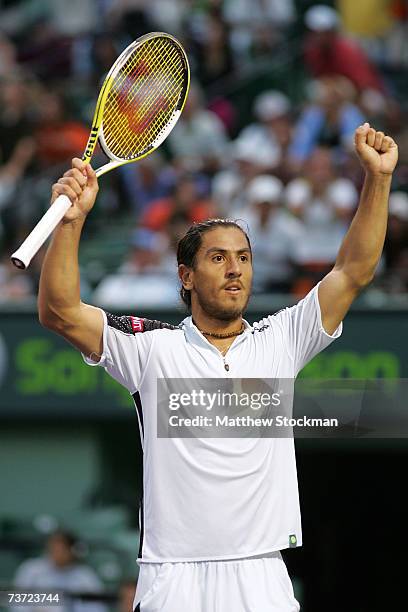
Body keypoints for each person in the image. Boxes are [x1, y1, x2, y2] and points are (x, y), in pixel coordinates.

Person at [38, 123, 398, 611]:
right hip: (173, 578)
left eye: (244, 258)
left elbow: (353, 271)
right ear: (186, 276)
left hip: (260, 575)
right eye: (218, 258)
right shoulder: (152, 350)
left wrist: (377, 180)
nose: (236, 269)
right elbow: (59, 311)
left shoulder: (281, 342)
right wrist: (71, 222)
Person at [13, 530, 107, 612]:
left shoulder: (85, 577)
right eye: (53, 547)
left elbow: (98, 608)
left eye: (61, 548)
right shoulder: (31, 569)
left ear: (72, 550)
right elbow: (16, 604)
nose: (56, 552)